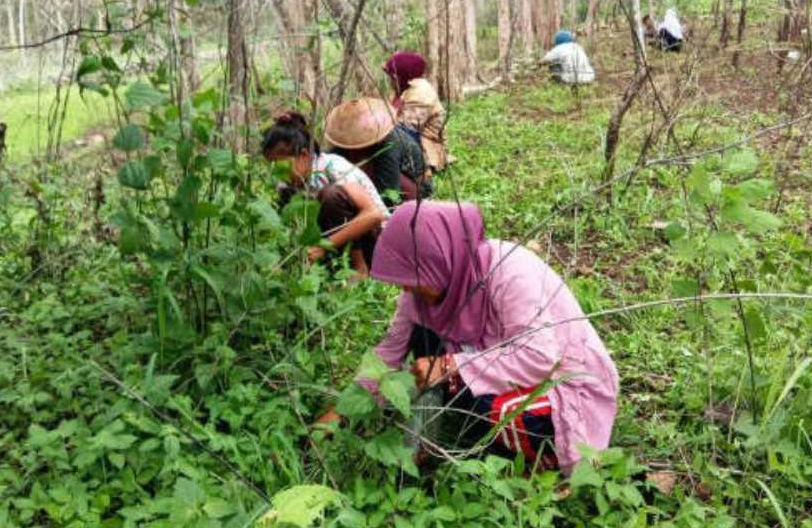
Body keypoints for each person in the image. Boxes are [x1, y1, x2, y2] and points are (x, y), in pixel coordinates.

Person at [316, 201, 619, 475]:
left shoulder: (509, 272)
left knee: (524, 420)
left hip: (562, 375)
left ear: (440, 259)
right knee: (421, 334)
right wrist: (340, 413)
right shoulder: (419, 293)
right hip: (491, 363)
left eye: (412, 278)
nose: (406, 290)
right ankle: (433, 441)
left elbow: (540, 357)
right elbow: (388, 354)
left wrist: (449, 364)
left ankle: (531, 467)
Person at [262, 112, 388, 275]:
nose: (276, 172)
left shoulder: (332, 167)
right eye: (271, 165)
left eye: (280, 165)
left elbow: (374, 215)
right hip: (334, 244)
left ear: (304, 155)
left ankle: (359, 268)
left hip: (376, 241)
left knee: (331, 196)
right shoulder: (287, 185)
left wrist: (323, 246)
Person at [324, 97, 431, 206]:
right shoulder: (344, 147)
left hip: (414, 189)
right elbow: (328, 162)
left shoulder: (389, 144)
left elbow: (390, 193)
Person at [383, 51, 450, 173]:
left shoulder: (421, 93)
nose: (390, 81)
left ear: (399, 77)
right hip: (408, 140)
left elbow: (406, 129)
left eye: (392, 77)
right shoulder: (403, 89)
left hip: (422, 148)